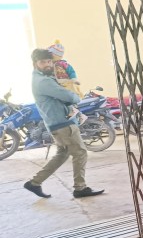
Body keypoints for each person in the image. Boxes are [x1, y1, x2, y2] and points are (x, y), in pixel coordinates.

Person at [23, 48, 104, 199]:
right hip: (63, 123)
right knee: (80, 152)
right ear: (35, 64)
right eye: (43, 62)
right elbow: (67, 96)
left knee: (62, 154)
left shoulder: (42, 78)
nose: (47, 64)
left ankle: (34, 183)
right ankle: (80, 188)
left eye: (49, 61)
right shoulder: (43, 81)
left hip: (56, 123)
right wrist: (76, 96)